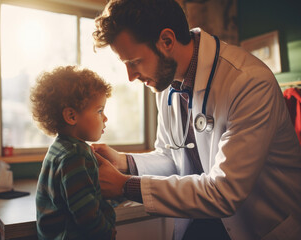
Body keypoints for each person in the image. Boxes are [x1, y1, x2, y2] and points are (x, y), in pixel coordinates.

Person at [91, 0, 301, 239]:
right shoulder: (166, 86)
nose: (130, 77)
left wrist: (125, 185)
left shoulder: (249, 82)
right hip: (204, 223)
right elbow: (171, 158)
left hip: (257, 227)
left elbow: (224, 192)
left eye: (134, 62)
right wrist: (123, 162)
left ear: (167, 41)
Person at [30, 66, 116, 240]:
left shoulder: (59, 147)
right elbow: (87, 216)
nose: (105, 118)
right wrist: (107, 233)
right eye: (99, 111)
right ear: (71, 116)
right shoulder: (75, 156)